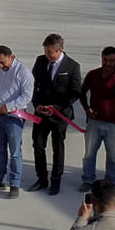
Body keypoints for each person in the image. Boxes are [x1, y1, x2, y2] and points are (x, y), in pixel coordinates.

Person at [28, 34, 82, 196]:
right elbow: (33, 84)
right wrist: (37, 105)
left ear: (60, 50)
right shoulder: (41, 61)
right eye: (46, 51)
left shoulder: (72, 66)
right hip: (41, 113)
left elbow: (75, 93)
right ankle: (42, 178)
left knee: (58, 148)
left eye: (50, 52)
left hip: (60, 115)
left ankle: (56, 180)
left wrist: (56, 107)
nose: (47, 55)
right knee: (38, 145)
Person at [0, 45, 34, 196]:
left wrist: (9, 106)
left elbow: (27, 96)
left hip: (14, 118)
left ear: (12, 57)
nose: (0, 65)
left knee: (15, 152)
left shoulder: (23, 72)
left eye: (3, 62)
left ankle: (15, 183)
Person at [79, 46, 115, 187]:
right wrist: (86, 108)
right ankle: (88, 180)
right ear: (101, 58)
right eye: (105, 60)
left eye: (111, 61)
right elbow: (82, 92)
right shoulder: (93, 74)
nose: (108, 64)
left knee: (113, 157)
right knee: (89, 154)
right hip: (94, 122)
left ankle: (111, 183)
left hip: (113, 123)